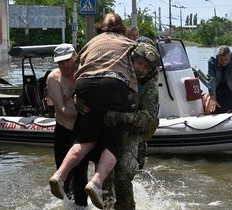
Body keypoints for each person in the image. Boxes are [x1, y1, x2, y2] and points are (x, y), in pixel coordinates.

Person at [49, 13, 139, 209]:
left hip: (85, 86)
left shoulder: (91, 42)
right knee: (114, 142)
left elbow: (81, 66)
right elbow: (136, 66)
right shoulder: (127, 43)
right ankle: (96, 182)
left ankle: (60, 175)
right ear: (121, 29)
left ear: (100, 29)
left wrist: (79, 98)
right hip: (113, 84)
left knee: (85, 139)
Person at [102, 39, 160, 210]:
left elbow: (148, 116)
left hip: (133, 134)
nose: (141, 69)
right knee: (106, 176)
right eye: (139, 63)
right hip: (110, 131)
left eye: (145, 67)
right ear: (132, 59)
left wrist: (121, 117)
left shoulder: (150, 86)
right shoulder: (118, 72)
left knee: (123, 175)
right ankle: (107, 205)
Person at [46, 43, 91, 207]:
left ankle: (82, 205)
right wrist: (80, 107)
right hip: (64, 132)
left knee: (81, 175)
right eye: (60, 62)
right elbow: (62, 109)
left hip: (81, 132)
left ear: (75, 57)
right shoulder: (53, 78)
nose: (64, 65)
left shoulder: (84, 74)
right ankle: (68, 205)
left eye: (67, 61)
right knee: (64, 176)